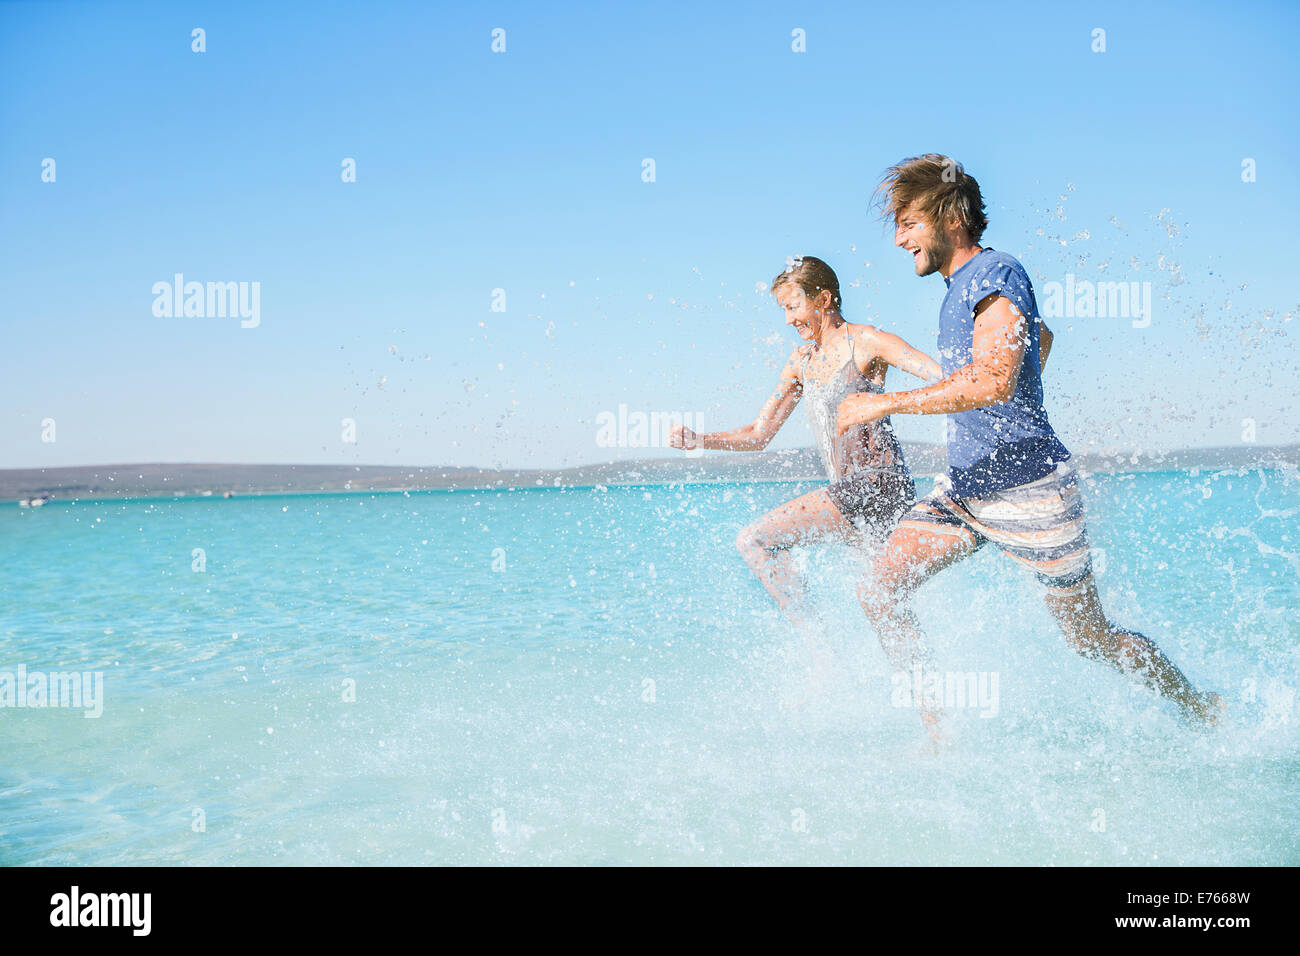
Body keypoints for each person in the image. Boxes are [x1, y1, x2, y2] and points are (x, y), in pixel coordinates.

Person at [837, 154, 1222, 732]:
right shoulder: (960, 288)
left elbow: (994, 378)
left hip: (1030, 490)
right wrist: (1021, 383)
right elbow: (1038, 338)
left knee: (1090, 639)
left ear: (950, 216)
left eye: (909, 222)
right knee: (878, 591)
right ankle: (937, 731)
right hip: (967, 488)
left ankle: (1200, 706)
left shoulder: (996, 272)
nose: (898, 239)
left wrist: (884, 403)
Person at [668, 256, 941, 649]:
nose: (788, 320)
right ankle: (929, 703)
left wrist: (888, 402)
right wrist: (699, 440)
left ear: (824, 299)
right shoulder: (801, 361)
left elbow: (939, 378)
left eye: (793, 307)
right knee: (882, 604)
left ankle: (820, 652)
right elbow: (759, 434)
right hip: (854, 490)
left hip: (878, 483)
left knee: (755, 540)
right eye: (783, 310)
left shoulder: (866, 341)